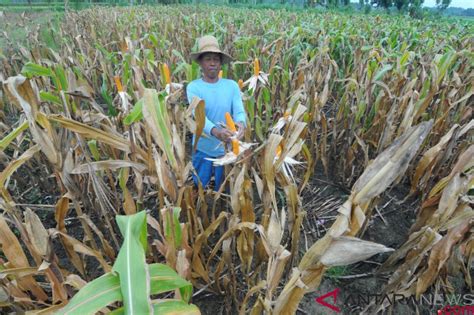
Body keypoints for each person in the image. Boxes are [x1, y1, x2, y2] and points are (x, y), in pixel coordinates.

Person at [186, 35, 246, 191]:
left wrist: (240, 124)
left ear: (221, 64)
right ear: (200, 63)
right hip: (203, 149)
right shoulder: (194, 87)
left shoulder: (231, 86)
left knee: (225, 190)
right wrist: (216, 132)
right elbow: (198, 117)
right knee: (200, 188)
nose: (212, 63)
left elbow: (239, 110)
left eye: (216, 59)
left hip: (227, 150)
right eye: (208, 59)